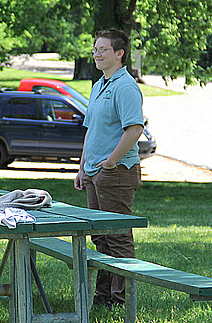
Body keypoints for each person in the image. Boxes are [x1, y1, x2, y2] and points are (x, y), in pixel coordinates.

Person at [74, 29, 145, 307]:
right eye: (95, 49)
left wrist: (112, 161)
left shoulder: (126, 86)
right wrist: (82, 168)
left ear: (119, 54)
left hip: (115, 172)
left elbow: (135, 128)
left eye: (103, 49)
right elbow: (90, 131)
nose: (97, 54)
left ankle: (121, 300)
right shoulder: (98, 85)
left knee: (117, 236)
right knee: (100, 238)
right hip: (93, 173)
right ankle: (103, 297)